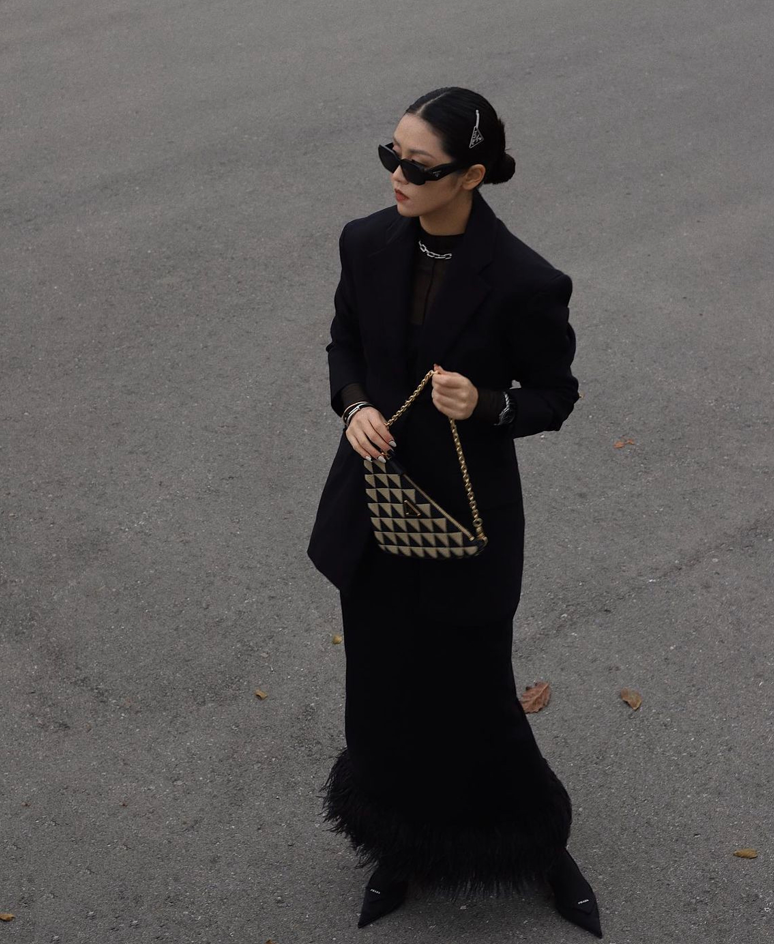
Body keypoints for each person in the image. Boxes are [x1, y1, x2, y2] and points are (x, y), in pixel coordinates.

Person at [307, 86, 603, 938]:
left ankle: (541, 845)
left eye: (419, 166)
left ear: (471, 175)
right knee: (383, 689)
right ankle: (401, 839)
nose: (398, 176)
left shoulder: (522, 280)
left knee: (476, 696)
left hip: (466, 526)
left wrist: (487, 404)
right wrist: (355, 404)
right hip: (375, 511)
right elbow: (344, 343)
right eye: (390, 157)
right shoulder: (365, 243)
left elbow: (555, 394)